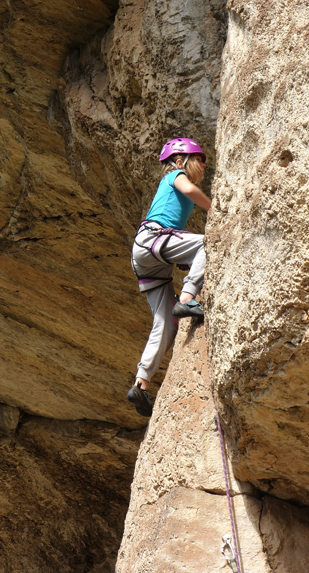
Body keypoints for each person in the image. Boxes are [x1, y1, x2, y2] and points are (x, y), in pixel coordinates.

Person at [127, 137, 211, 417]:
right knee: (207, 242)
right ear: (179, 161)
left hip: (146, 256)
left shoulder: (173, 177)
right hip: (154, 237)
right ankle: (187, 298)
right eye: (198, 158)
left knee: (166, 323)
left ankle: (141, 383)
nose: (203, 164)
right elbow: (189, 190)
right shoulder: (176, 175)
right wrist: (216, 210)